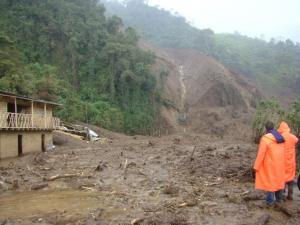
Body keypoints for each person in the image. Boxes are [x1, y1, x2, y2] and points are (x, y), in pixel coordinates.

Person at [253, 121, 285, 205]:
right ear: (273, 127)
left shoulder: (265, 139)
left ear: (265, 128)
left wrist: (256, 166)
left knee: (270, 182)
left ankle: (270, 202)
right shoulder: (280, 137)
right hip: (280, 163)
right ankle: (279, 200)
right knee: (279, 180)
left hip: (270, 164)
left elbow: (261, 154)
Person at [278, 121, 299, 200]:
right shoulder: (293, 137)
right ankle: (290, 195)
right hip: (291, 162)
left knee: (282, 179)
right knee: (290, 180)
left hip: (282, 162)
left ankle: (282, 195)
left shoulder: (280, 137)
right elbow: (297, 140)